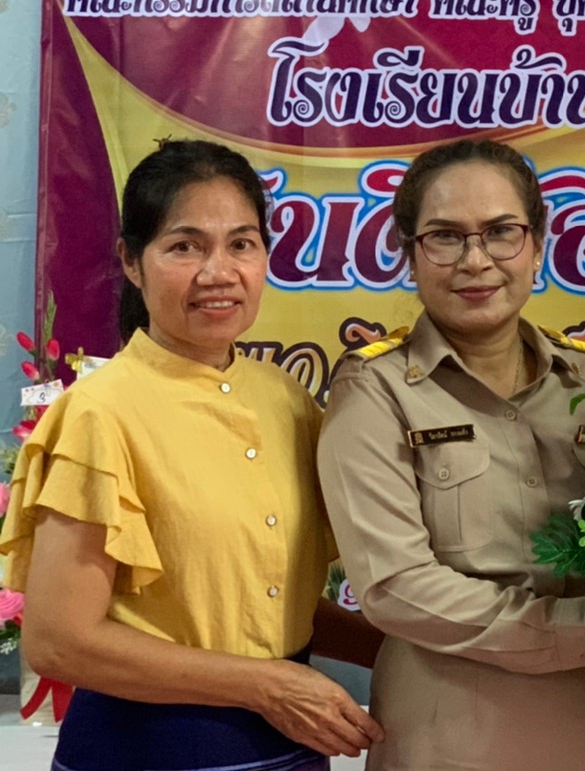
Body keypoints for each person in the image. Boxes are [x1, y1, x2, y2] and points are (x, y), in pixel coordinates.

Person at [316, 138, 585, 770]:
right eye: (445, 237)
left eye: (501, 232)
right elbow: (397, 588)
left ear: (537, 246)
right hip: (448, 745)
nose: (476, 261)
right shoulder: (375, 390)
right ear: (409, 255)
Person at [0, 139, 383, 771]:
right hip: (146, 750)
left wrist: (414, 655)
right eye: (185, 247)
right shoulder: (100, 413)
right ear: (131, 261)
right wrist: (267, 685)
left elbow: (259, 608)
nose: (219, 272)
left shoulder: (285, 399)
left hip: (290, 745)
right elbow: (60, 643)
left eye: (241, 244)